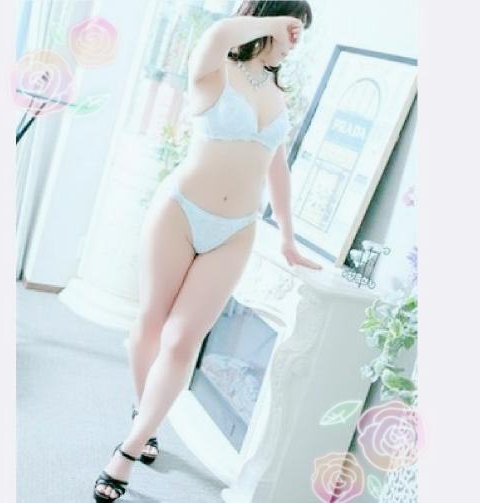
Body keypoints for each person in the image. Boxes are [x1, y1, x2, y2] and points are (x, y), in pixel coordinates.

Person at [93, 2, 321, 500]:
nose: (296, 39)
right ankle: (147, 417)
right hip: (179, 211)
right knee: (149, 327)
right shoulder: (214, 68)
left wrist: (287, 236)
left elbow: (276, 166)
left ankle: (128, 449)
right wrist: (274, 21)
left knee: (181, 341)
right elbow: (220, 32)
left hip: (236, 229)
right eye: (294, 26)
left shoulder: (278, 93)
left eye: (301, 31)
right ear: (268, 16)